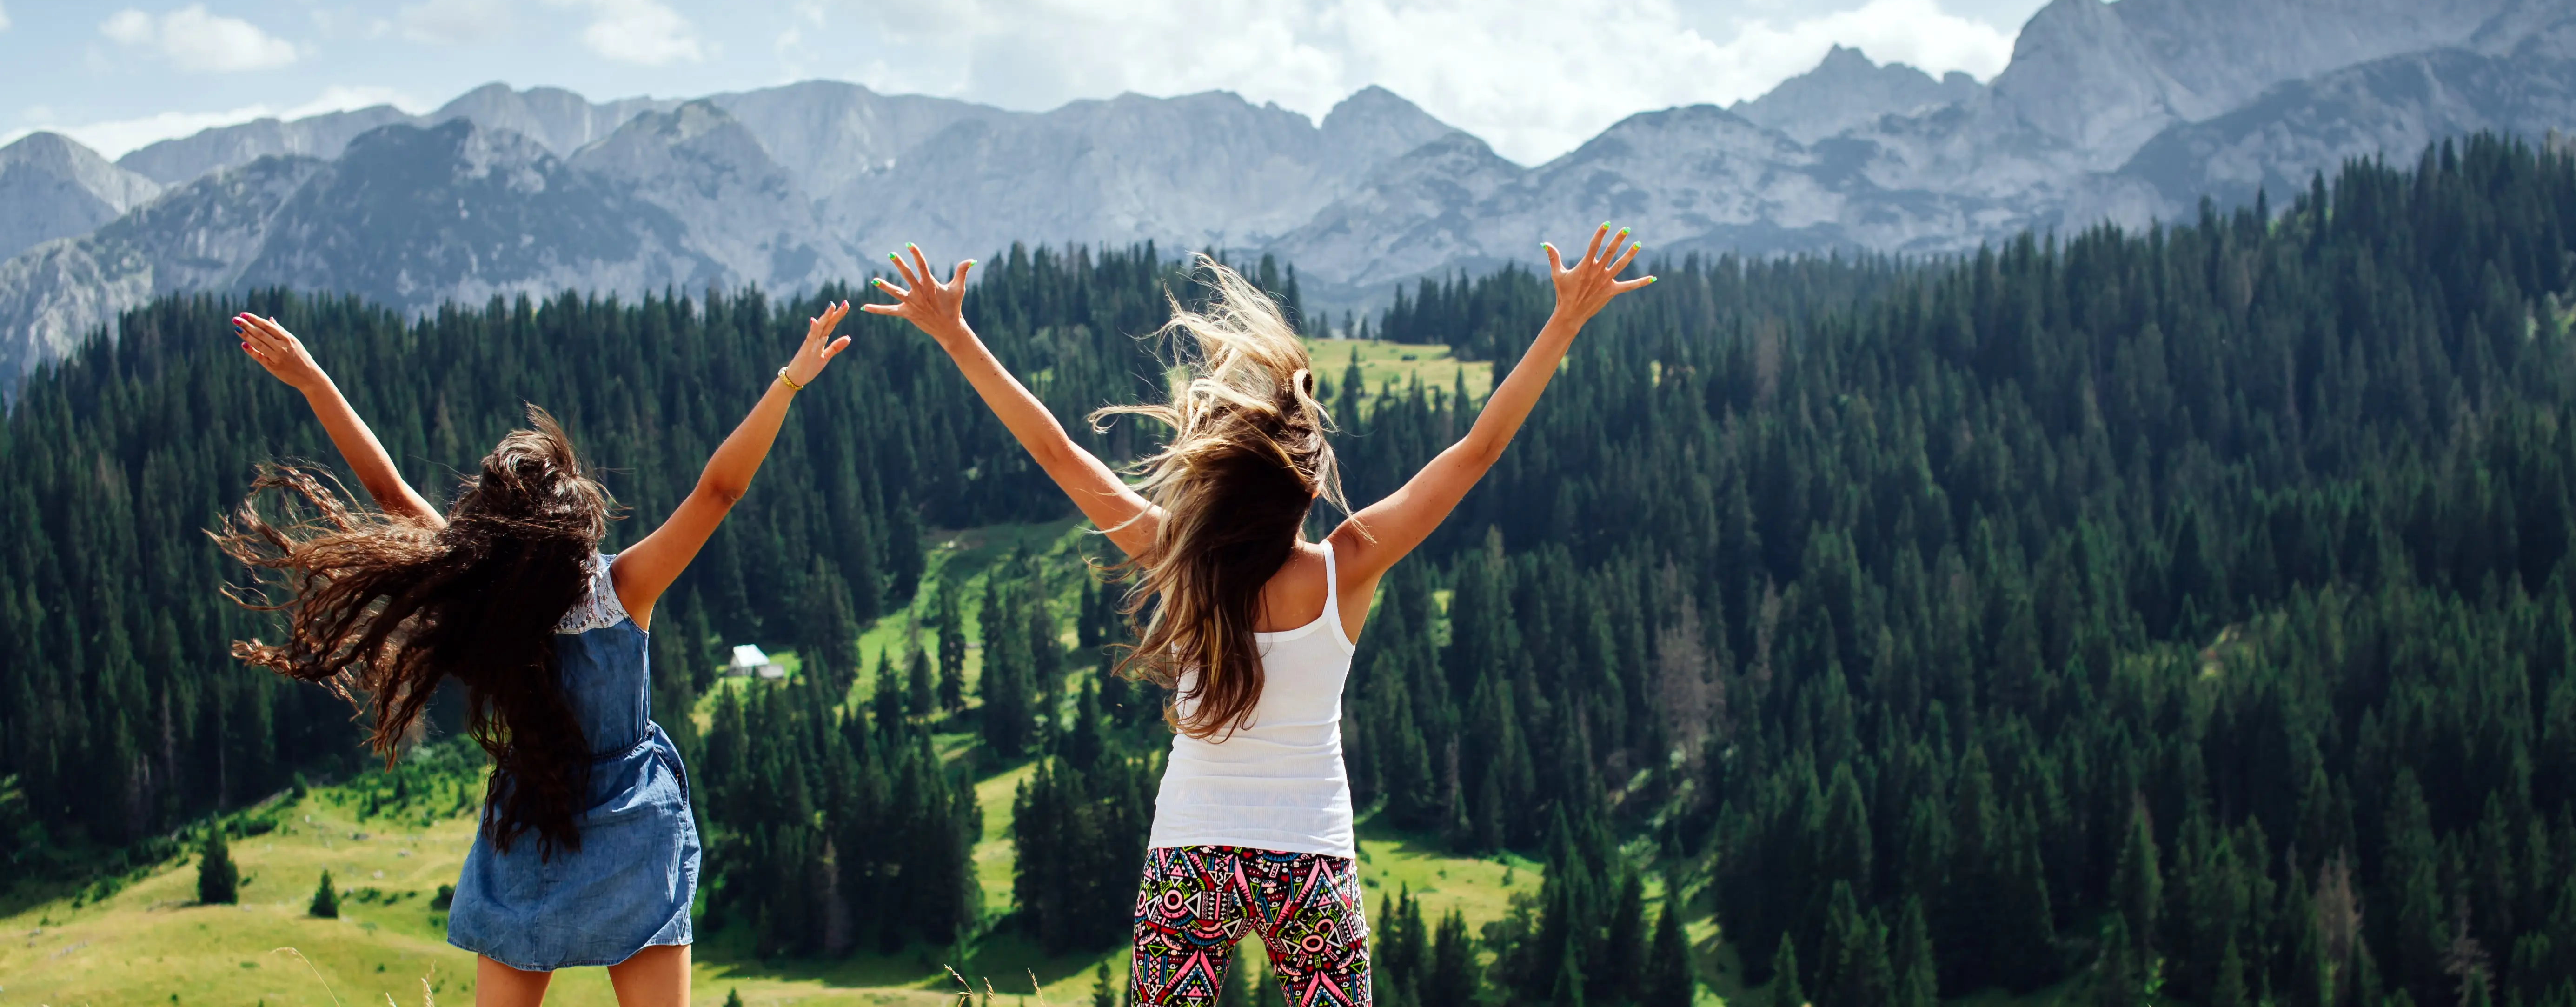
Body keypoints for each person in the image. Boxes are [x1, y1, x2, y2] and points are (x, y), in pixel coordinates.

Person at [866, 226, 1651, 1007]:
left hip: (1193, 851)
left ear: (1222, 488)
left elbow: (1059, 452)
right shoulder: (1348, 564)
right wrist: (1564, 321)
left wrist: (956, 334)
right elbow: (1478, 449)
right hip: (1308, 856)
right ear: (1309, 488)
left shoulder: (1183, 559)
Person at [214, 302, 855, 1007]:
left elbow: (389, 490)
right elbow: (720, 489)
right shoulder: (622, 588)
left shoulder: (481, 588)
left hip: (533, 819)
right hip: (633, 822)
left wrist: (312, 381)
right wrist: (789, 381)